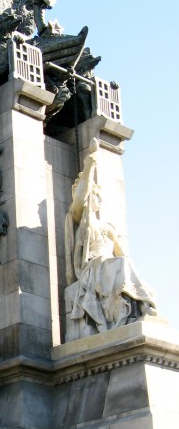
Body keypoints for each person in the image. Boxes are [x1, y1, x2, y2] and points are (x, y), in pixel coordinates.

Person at [65, 138, 157, 333]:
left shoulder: (106, 226)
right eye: (96, 195)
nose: (100, 198)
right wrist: (91, 161)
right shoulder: (81, 219)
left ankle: (140, 304)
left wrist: (114, 238)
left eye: (98, 195)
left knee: (124, 263)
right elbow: (81, 197)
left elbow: (121, 253)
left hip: (108, 264)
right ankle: (142, 303)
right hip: (93, 266)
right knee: (120, 265)